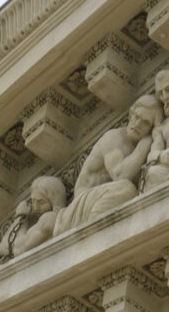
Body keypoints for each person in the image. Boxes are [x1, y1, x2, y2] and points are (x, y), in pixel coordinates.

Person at [64, 96, 161, 227]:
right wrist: (145, 143)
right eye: (137, 117)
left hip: (106, 198)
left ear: (152, 127)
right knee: (126, 188)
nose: (137, 124)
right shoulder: (114, 138)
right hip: (82, 206)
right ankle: (96, 226)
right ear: (131, 114)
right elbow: (119, 175)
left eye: (145, 123)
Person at [0, 174, 66, 257]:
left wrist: (21, 216)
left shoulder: (50, 218)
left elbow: (9, 248)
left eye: (41, 202)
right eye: (33, 201)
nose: (35, 208)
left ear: (54, 202)